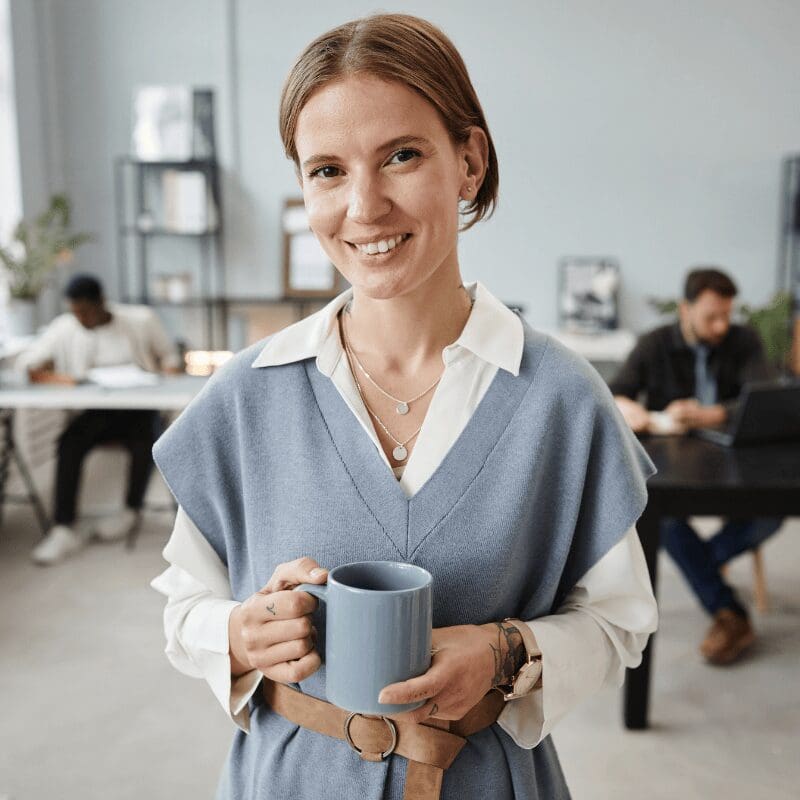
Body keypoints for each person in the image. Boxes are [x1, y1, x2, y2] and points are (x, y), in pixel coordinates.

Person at [150, 14, 657, 800]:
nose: (365, 206)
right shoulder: (247, 395)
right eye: (326, 170)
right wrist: (239, 633)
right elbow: (184, 604)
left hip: (486, 779)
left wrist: (506, 651)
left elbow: (620, 619)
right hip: (290, 781)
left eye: (402, 155)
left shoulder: (561, 398)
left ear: (469, 160)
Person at [610, 267, 783, 665]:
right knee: (660, 517)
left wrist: (706, 414)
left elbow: (766, 399)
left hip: (734, 460)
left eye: (727, 315)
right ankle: (730, 613)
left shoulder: (744, 340)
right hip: (674, 462)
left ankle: (702, 564)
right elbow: (617, 391)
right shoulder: (654, 344)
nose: (722, 325)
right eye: (711, 316)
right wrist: (630, 408)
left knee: (770, 513)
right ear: (686, 309)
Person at [16, 273, 181, 565]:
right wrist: (43, 366)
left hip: (140, 406)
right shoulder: (65, 327)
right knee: (69, 443)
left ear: (101, 303)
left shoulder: (140, 320)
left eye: (85, 311)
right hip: (95, 409)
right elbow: (28, 362)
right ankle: (63, 527)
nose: (79, 318)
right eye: (74, 312)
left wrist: (166, 375)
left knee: (147, 443)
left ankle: (130, 511)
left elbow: (170, 358)